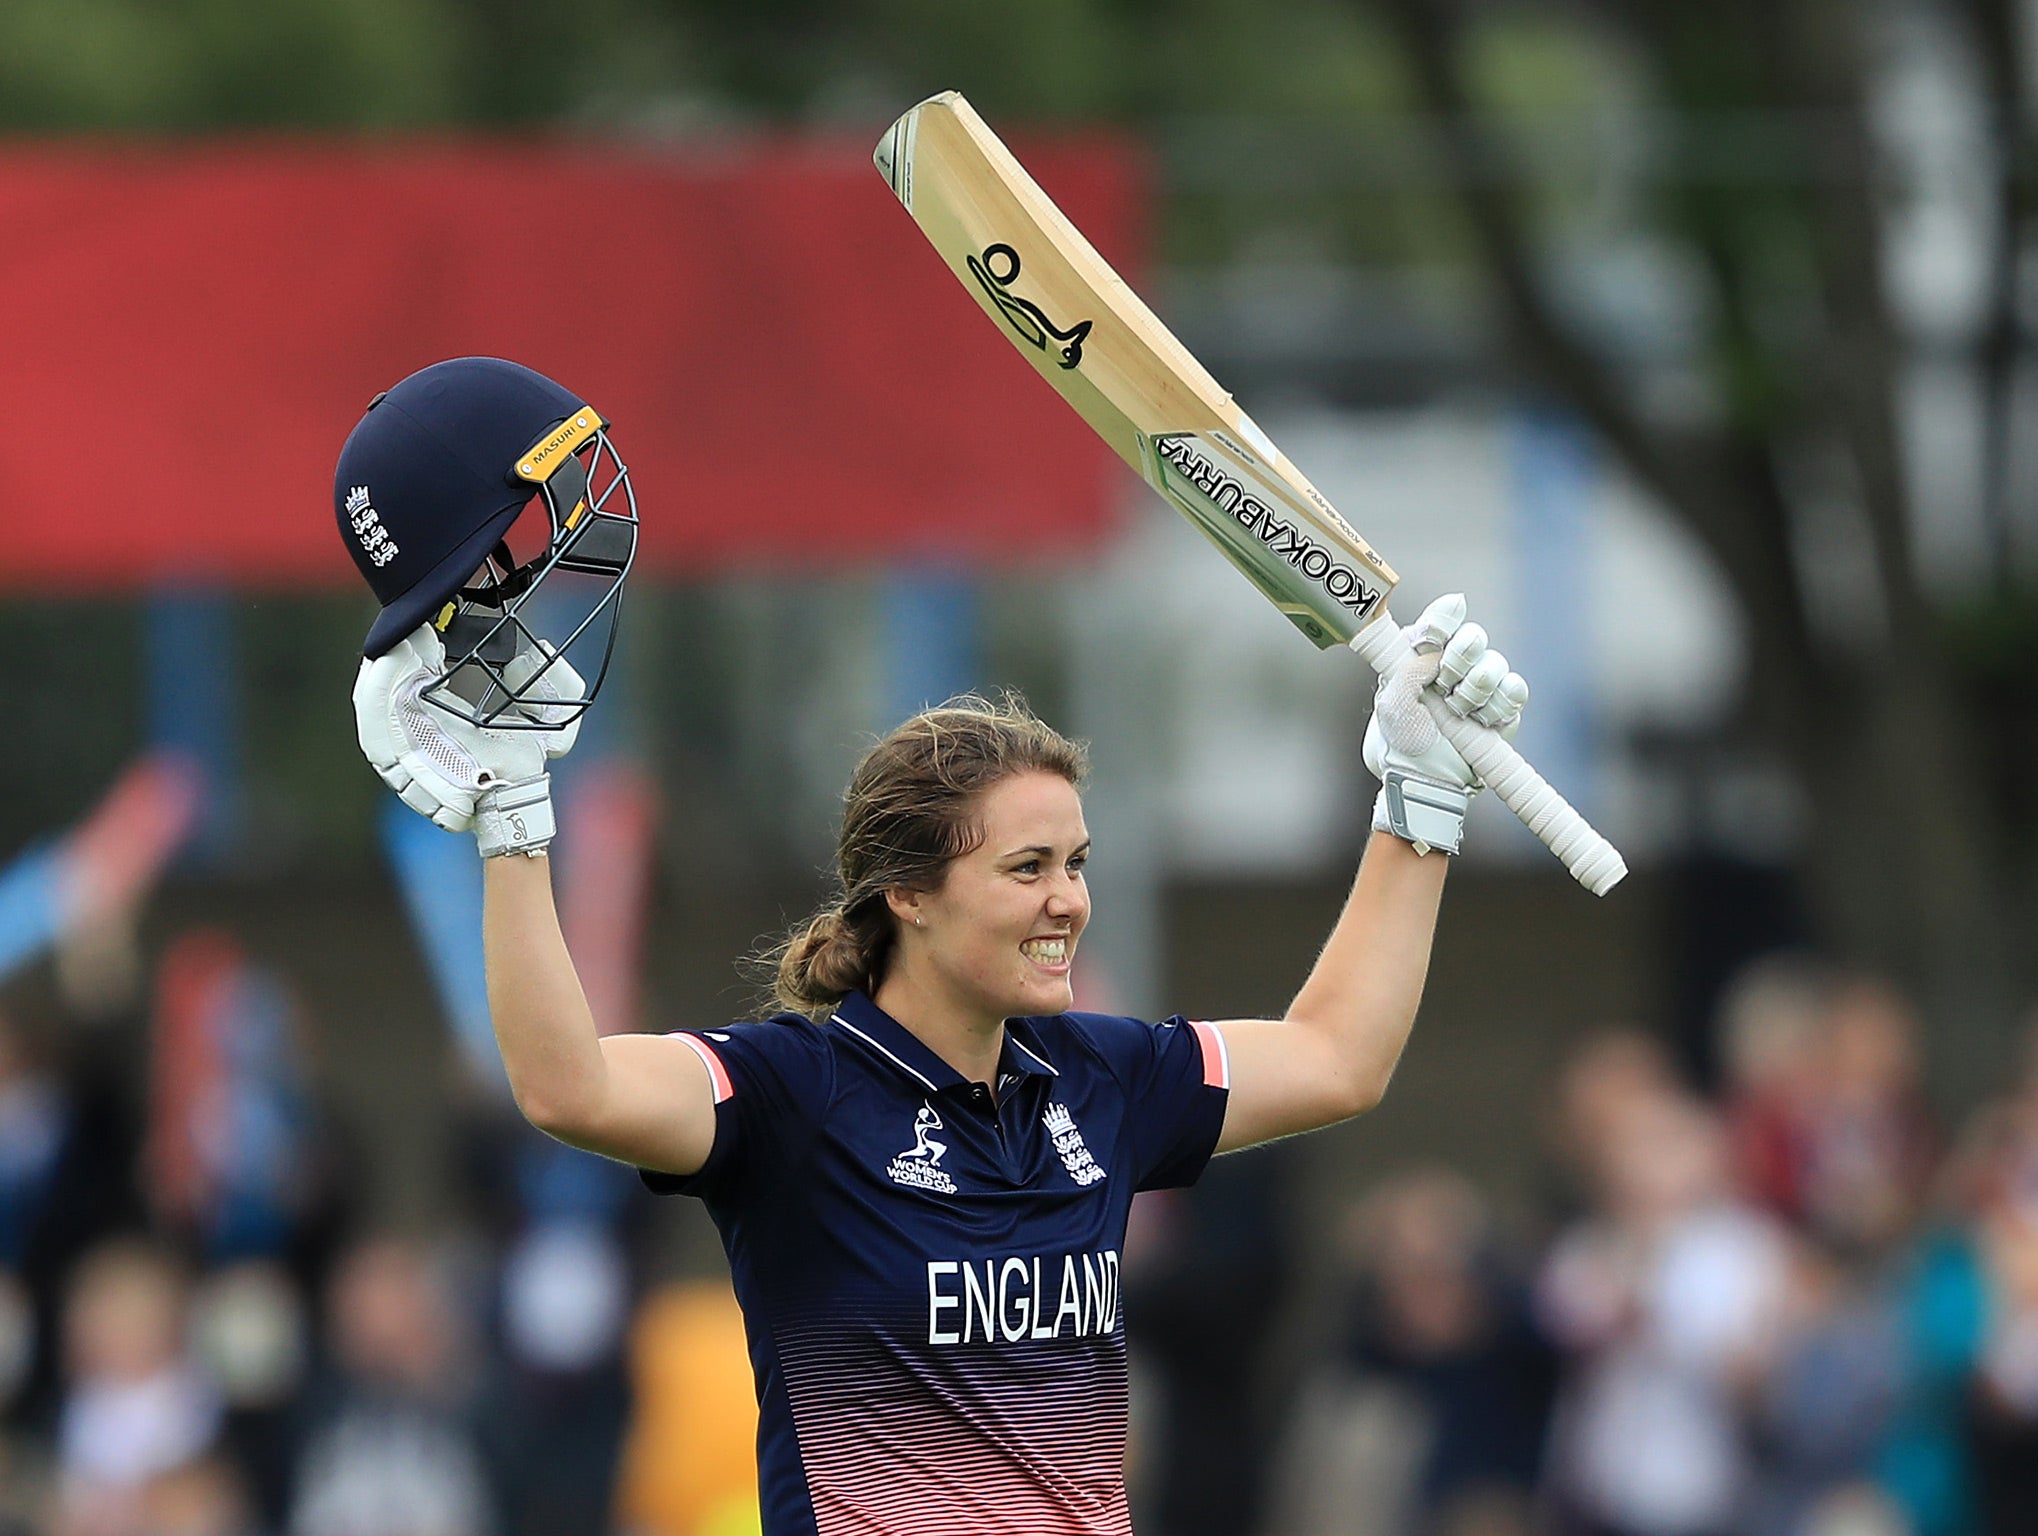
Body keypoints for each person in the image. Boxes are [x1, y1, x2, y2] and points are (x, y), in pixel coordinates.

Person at [339, 357, 1529, 1535]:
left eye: (1074, 864)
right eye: (1025, 869)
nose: (1067, 901)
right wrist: (513, 822)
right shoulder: (791, 1098)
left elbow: (1338, 1058)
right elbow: (564, 1084)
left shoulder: (1102, 1082)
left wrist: (1417, 799)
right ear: (906, 895)